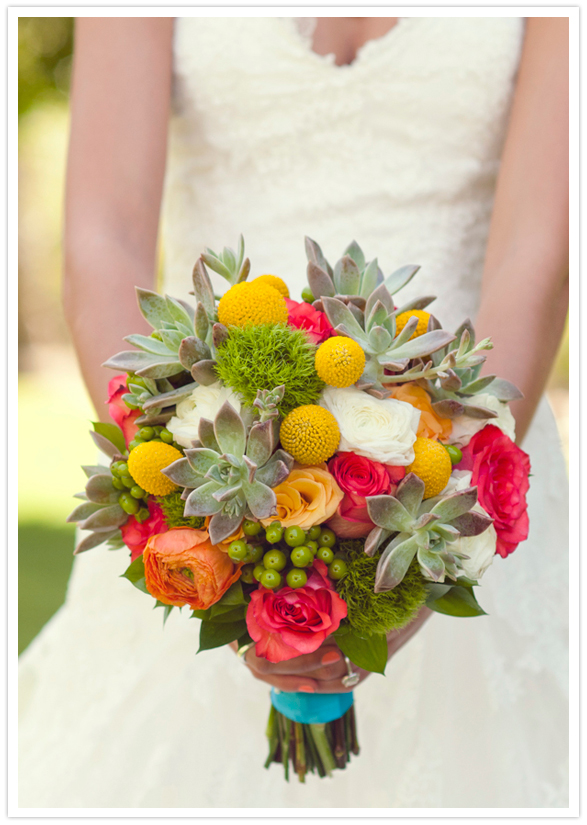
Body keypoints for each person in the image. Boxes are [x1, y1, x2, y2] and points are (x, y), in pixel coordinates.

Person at [19, 16, 569, 808]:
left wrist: (438, 529)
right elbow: (102, 238)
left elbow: (537, 258)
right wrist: (186, 504)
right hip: (205, 446)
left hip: (457, 458)